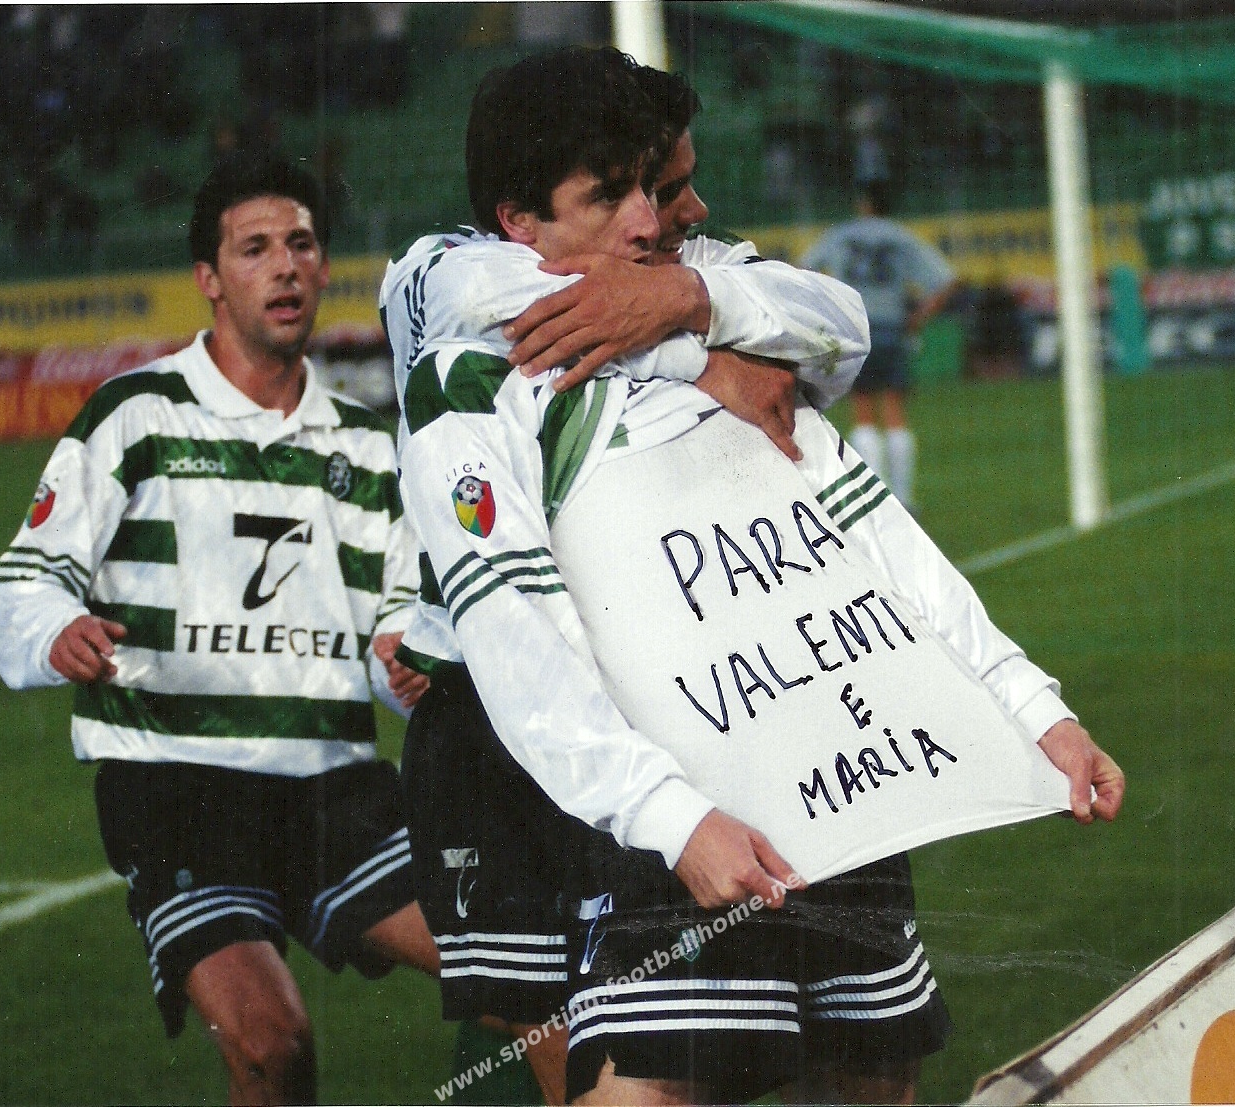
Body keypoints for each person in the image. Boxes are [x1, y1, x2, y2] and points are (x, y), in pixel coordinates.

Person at [384, 48, 1123, 1106]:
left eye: (652, 188)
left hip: (837, 762)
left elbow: (872, 536)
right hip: (668, 798)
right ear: (518, 222)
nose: (651, 222)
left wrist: (1032, 710)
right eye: (610, 196)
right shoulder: (475, 376)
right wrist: (671, 818)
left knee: (873, 1079)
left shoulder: (732, 319)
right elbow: (521, 639)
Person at [0, 152, 437, 1106]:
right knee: (272, 1045)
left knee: (516, 969)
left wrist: (403, 651)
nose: (285, 266)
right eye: (254, 248)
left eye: (301, 244)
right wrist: (57, 626)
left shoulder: (367, 446)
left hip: (334, 786)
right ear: (209, 278)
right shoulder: (136, 415)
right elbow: (26, 577)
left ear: (324, 267)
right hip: (179, 786)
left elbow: (399, 610)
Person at [801, 181, 962, 513]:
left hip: (854, 329)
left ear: (863, 204)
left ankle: (876, 499)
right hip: (892, 328)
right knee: (894, 412)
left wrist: (827, 310)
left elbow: (803, 270)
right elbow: (946, 280)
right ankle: (903, 497)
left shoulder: (841, 235)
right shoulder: (901, 237)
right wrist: (918, 317)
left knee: (862, 411)